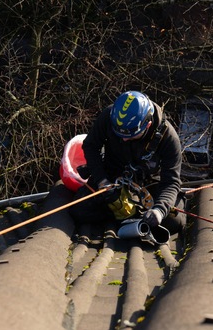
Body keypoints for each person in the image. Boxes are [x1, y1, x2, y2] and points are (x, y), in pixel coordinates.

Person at [70, 90, 185, 233]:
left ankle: (137, 216)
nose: (124, 139)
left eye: (131, 135)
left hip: (149, 182)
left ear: (147, 125)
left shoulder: (168, 138)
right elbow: (91, 146)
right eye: (120, 134)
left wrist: (159, 210)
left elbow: (171, 181)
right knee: (80, 211)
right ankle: (127, 216)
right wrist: (101, 180)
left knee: (175, 222)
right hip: (112, 177)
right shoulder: (109, 116)